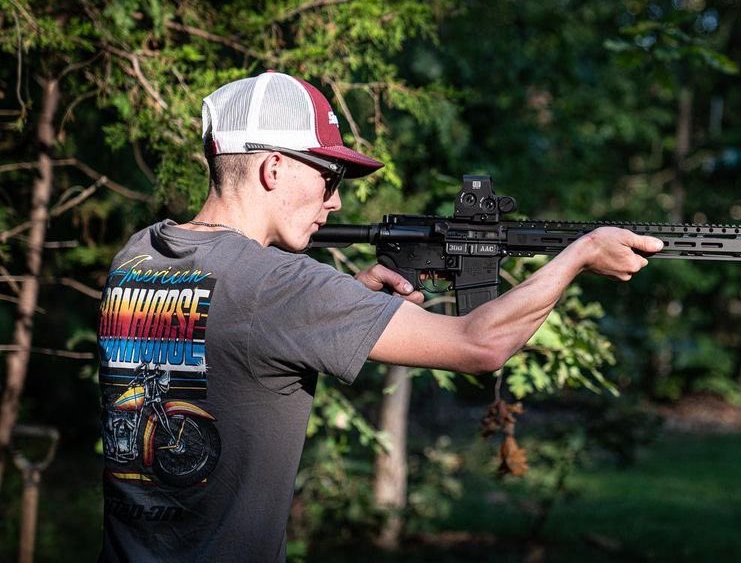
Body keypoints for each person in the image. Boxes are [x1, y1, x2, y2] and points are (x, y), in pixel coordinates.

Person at [96, 70, 662, 561]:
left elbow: (231, 343)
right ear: (272, 168)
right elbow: (479, 345)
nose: (335, 201)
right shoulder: (281, 286)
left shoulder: (141, 254)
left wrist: (347, 303)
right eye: (329, 178)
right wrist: (580, 255)